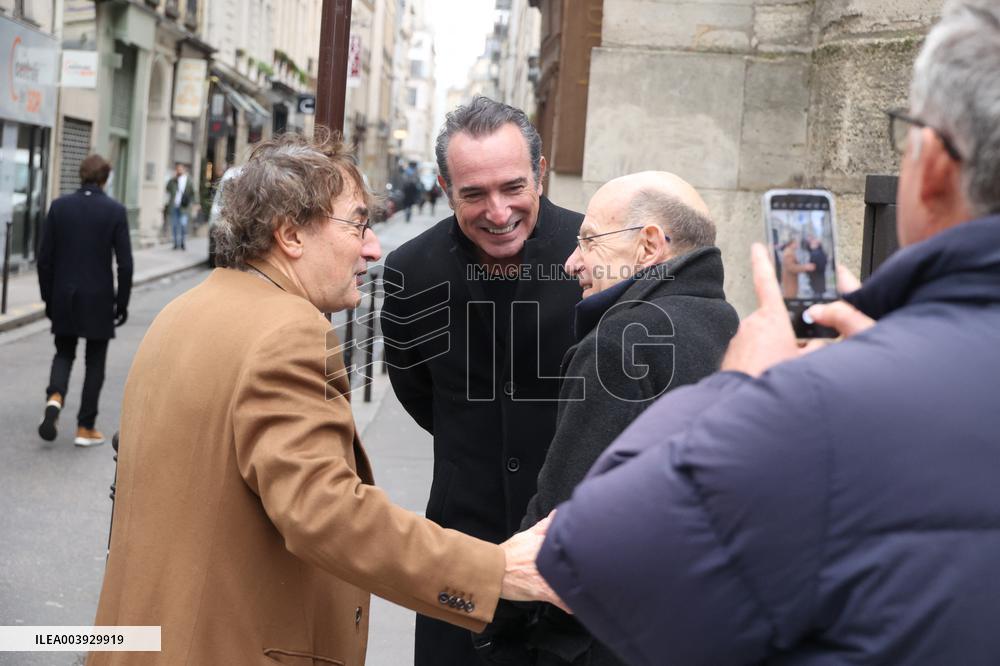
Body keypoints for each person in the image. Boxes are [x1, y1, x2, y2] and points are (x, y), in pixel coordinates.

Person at [535, 2, 1000, 664]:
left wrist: (740, 385)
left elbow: (586, 549)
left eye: (908, 136)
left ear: (931, 170)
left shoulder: (818, 400)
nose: (572, 260)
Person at [87, 132, 562, 666]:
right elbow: (326, 511)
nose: (372, 246)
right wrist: (493, 573)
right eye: (357, 223)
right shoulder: (288, 331)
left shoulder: (185, 310)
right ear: (290, 234)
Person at [480, 172, 738, 665]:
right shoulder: (726, 323)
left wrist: (501, 624)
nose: (572, 261)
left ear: (648, 247)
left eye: (589, 240)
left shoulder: (620, 342)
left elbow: (561, 516)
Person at [380, 96, 583, 666]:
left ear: (540, 174)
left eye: (513, 187)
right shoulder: (408, 271)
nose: (497, 212)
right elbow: (419, 393)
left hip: (575, 557)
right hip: (458, 554)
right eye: (474, 194)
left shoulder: (596, 253)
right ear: (446, 187)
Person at [37, 154, 132, 448]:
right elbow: (125, 264)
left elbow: (44, 260)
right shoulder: (115, 211)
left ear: (81, 176)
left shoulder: (60, 207)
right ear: (105, 179)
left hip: (64, 295)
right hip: (99, 298)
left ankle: (55, 396)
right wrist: (121, 303)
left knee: (63, 353)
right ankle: (85, 426)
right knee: (95, 362)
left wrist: (48, 297)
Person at [165, 162, 195, 249]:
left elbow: (193, 193)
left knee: (183, 225)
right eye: (177, 169)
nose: (179, 170)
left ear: (184, 170)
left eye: (180, 169)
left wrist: (193, 203)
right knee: (174, 225)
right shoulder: (173, 180)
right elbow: (167, 188)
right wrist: (172, 179)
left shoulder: (188, 180)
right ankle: (175, 243)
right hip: (174, 206)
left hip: (184, 207)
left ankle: (182, 242)